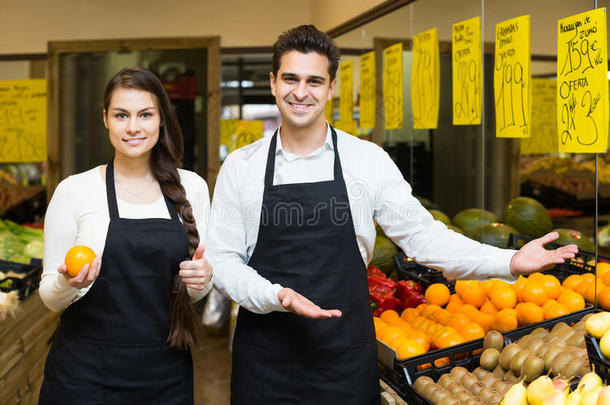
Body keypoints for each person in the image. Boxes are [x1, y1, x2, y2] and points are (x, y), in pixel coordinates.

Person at [206, 25, 578, 404]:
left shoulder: (366, 161)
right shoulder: (242, 166)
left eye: (314, 81)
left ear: (331, 88)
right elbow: (222, 260)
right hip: (267, 364)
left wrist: (509, 260)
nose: (301, 92)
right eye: (291, 78)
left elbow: (423, 237)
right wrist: (276, 295)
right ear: (273, 82)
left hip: (344, 359)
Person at [38, 67, 213, 405]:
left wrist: (202, 281)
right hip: (84, 378)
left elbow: (193, 294)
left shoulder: (192, 187)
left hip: (166, 376)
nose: (133, 127)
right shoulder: (75, 191)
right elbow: (49, 296)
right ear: (106, 119)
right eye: (121, 115)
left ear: (161, 118)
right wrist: (69, 283)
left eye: (145, 114)